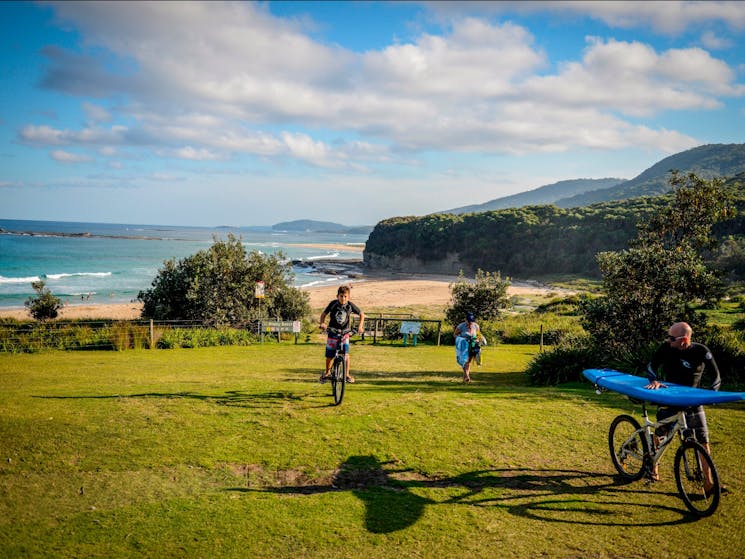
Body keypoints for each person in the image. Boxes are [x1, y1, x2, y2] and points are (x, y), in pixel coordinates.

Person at [645, 321, 723, 492]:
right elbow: (651, 366)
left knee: (703, 441)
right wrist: (654, 380)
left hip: (692, 401)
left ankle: (708, 483)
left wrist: (712, 393)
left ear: (684, 340)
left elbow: (716, 376)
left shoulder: (701, 351)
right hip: (669, 398)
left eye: (672, 338)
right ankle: (653, 468)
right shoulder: (666, 348)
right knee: (661, 434)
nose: (668, 340)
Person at [319, 285, 365, 384]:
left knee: (346, 355)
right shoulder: (333, 304)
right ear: (337, 296)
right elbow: (323, 314)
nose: (343, 298)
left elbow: (361, 314)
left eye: (345, 296)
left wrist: (360, 327)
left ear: (348, 297)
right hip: (333, 332)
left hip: (345, 333)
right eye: (341, 296)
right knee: (330, 355)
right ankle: (327, 373)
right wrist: (322, 323)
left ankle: (347, 374)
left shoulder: (350, 305)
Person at [453, 312, 484, 383]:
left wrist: (477, 339)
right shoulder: (461, 326)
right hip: (463, 346)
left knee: (469, 361)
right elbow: (455, 335)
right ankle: (467, 376)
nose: (470, 323)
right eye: (469, 321)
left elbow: (478, 335)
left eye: (471, 321)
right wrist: (462, 339)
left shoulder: (476, 326)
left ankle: (465, 378)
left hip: (473, 345)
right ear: (466, 320)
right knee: (465, 360)